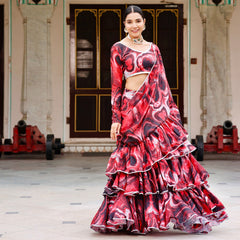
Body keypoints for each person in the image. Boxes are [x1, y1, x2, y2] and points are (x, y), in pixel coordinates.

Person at [90, 5, 227, 234]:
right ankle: (131, 216)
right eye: (129, 21)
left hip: (156, 110)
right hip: (131, 110)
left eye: (138, 21)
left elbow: (161, 80)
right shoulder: (118, 48)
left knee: (163, 163)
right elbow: (116, 87)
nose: (134, 25)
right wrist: (115, 118)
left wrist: (170, 111)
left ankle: (166, 212)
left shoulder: (153, 49)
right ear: (124, 25)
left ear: (144, 23)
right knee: (133, 164)